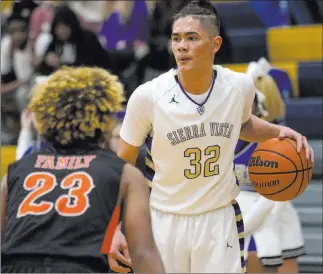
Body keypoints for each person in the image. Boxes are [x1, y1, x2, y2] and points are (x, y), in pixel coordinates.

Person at [110, 0, 314, 272]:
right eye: (176, 38)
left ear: (216, 44)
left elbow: (241, 124)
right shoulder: (147, 96)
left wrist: (278, 131)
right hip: (163, 219)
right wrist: (113, 229)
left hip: (219, 220)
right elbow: (118, 167)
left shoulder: (239, 87)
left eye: (192, 38)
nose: (181, 46)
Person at [1, 67, 165, 273]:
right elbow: (143, 253)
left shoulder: (16, 171)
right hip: (77, 266)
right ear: (104, 118)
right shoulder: (124, 173)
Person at [235, 61, 306, 274]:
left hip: (270, 217)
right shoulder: (220, 141)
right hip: (236, 219)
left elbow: (277, 198)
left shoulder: (277, 145)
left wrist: (243, 226)